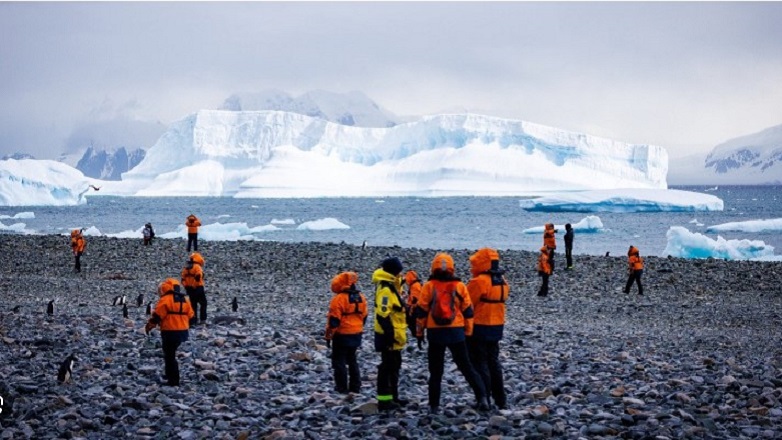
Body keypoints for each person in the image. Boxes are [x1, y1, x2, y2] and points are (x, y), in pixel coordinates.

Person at [414, 252, 489, 414]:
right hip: (456, 331)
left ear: (433, 267)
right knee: (466, 366)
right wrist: (468, 333)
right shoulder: (459, 286)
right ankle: (482, 398)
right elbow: (468, 311)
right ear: (451, 268)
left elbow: (421, 312)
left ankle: (434, 406)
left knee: (435, 371)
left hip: (435, 333)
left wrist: (419, 334)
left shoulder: (429, 286)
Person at [466, 247, 510, 410]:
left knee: (480, 362)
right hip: (497, 326)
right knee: (494, 362)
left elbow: (467, 303)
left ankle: (484, 398)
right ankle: (500, 399)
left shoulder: (478, 282)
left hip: (479, 326)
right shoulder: (503, 281)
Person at [373, 257, 408, 411]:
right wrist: (389, 336)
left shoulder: (392, 286)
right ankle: (384, 400)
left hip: (395, 334)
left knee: (395, 365)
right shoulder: (386, 289)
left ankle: (394, 396)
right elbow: (383, 314)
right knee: (387, 367)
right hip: (387, 335)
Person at [145, 278, 194, 387]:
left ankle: (173, 380)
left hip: (170, 331)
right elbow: (191, 316)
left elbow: (157, 316)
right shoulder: (185, 299)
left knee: (169, 355)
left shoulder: (165, 299)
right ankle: (168, 375)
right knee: (170, 353)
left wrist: (149, 326)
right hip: (183, 332)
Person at [325, 272, 368, 394]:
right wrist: (358, 329)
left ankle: (342, 387)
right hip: (356, 333)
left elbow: (333, 321)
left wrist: (328, 336)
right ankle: (355, 386)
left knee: (339, 361)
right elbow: (364, 316)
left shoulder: (338, 299)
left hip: (342, 334)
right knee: (352, 359)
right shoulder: (361, 297)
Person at [181, 252, 207, 325]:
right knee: (203, 303)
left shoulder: (186, 268)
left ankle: (193, 320)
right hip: (198, 288)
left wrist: (187, 286)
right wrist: (194, 285)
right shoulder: (197, 266)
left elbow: (183, 279)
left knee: (193, 304)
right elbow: (198, 276)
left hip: (189, 289)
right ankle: (203, 320)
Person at [403, 270, 423, 339]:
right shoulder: (415, 285)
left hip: (415, 310)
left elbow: (415, 299)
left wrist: (409, 308)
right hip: (415, 309)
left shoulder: (415, 286)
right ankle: (415, 334)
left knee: (411, 322)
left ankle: (415, 335)